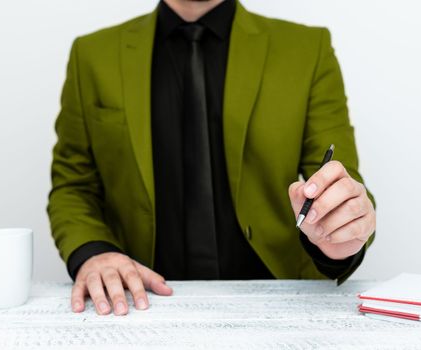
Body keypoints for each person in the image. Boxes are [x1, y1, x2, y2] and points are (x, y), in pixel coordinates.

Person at [47, 0, 376, 316]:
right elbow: (73, 186)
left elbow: (339, 179)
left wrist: (341, 234)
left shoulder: (308, 48)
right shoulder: (92, 55)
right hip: (137, 304)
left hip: (276, 304)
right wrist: (94, 252)